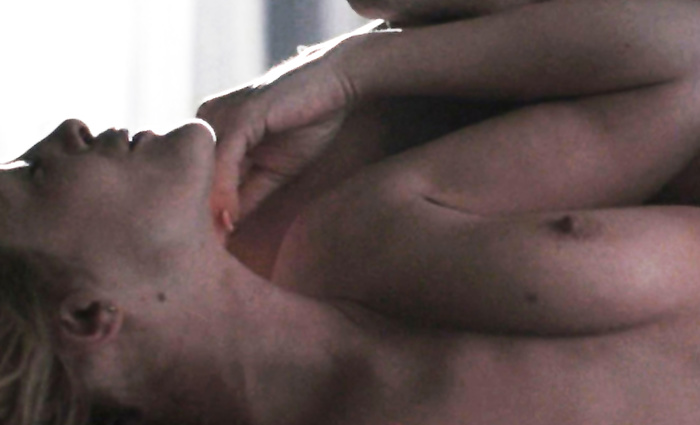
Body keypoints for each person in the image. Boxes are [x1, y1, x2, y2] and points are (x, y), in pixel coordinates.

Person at [3, 1, 700, 425]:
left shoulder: (357, 235)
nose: (64, 132)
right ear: (88, 316)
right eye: (30, 178)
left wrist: (346, 72)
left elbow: (682, 64)